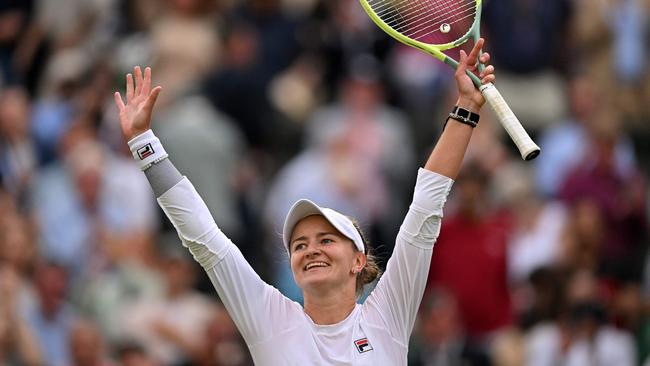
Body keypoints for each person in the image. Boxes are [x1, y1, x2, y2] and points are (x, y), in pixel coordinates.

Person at [113, 38, 496, 364]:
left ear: (358, 260)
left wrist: (466, 106)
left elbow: (425, 208)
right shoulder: (269, 319)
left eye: (326, 240)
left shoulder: (388, 316)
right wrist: (143, 143)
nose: (310, 250)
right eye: (299, 245)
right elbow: (204, 238)